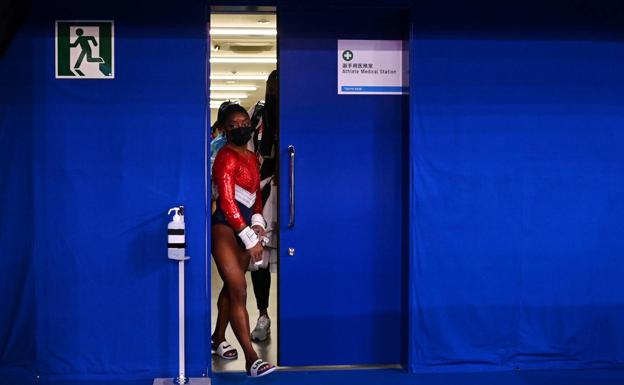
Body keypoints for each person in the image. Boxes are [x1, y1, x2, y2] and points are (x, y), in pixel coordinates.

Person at [211, 104, 277, 378]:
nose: (241, 126)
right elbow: (227, 202)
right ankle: (252, 359)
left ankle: (216, 339)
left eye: (245, 121)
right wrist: (248, 236)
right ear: (225, 129)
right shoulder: (225, 157)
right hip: (226, 228)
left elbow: (256, 196)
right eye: (234, 123)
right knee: (239, 289)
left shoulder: (252, 157)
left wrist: (258, 223)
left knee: (231, 288)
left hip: (245, 227)